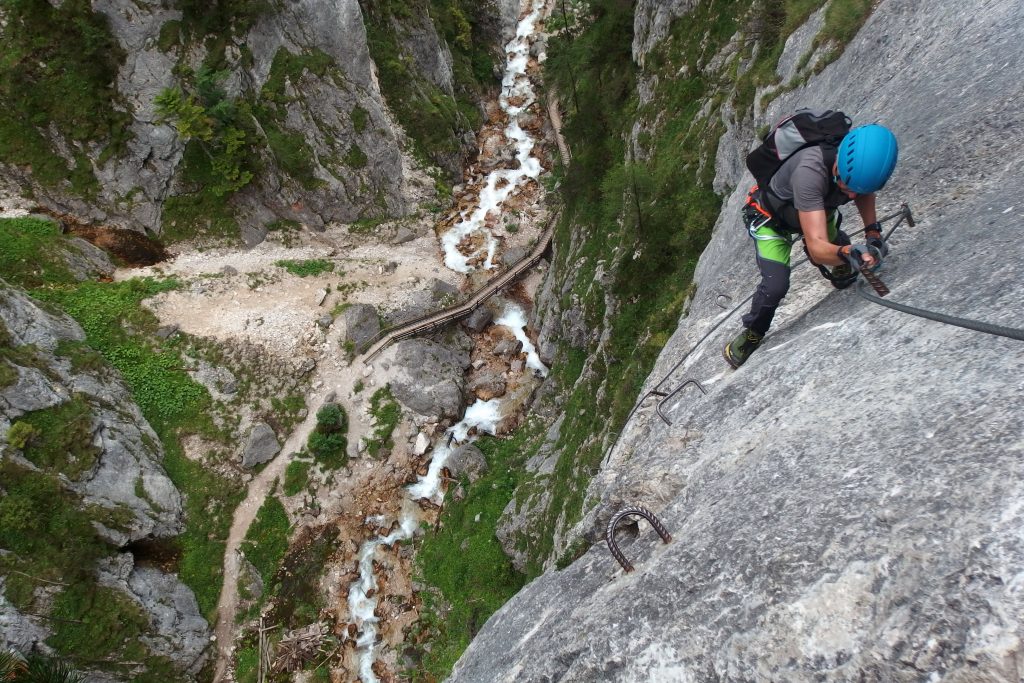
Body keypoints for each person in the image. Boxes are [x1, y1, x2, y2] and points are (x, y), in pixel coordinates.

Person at [723, 123, 899, 368]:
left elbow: (863, 191)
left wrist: (873, 234)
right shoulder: (810, 171)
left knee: (831, 244)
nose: (850, 196)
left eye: (855, 190)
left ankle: (840, 265)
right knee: (775, 285)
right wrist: (848, 253)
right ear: (838, 165)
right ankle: (753, 333)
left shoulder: (856, 169)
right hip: (771, 219)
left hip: (817, 207)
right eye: (846, 186)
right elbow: (817, 248)